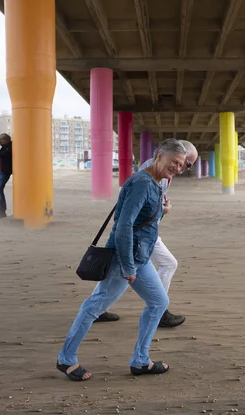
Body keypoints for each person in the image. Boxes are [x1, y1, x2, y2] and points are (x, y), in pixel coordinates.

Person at [56, 139, 187, 381]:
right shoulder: (141, 183)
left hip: (141, 256)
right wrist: (127, 266)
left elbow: (144, 223)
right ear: (159, 156)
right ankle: (66, 358)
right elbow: (123, 226)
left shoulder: (157, 184)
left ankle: (140, 360)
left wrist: (162, 211)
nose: (178, 168)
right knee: (95, 306)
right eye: (174, 162)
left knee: (159, 302)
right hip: (122, 257)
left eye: (182, 165)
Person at [95, 140, 198, 328]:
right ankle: (159, 310)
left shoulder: (165, 171)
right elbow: (137, 211)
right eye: (186, 163)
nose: (183, 168)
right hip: (141, 234)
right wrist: (163, 211)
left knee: (114, 274)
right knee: (166, 264)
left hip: (143, 232)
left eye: (186, 164)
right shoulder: (151, 172)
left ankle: (98, 310)